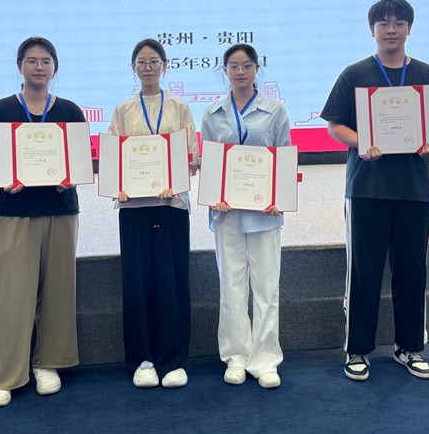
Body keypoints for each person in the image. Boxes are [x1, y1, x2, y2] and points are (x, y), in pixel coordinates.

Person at [320, 0, 429, 383]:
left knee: (412, 272)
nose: (391, 30)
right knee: (364, 272)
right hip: (367, 188)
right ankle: (357, 350)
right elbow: (334, 126)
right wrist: (362, 141)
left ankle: (409, 347)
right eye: (384, 23)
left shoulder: (426, 73)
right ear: (372, 29)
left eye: (399, 23)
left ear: (409, 28)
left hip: (414, 188)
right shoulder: (354, 73)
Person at [0, 36, 85, 407]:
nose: (39, 67)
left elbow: (79, 160)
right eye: (31, 60)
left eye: (45, 61)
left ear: (55, 67)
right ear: (20, 66)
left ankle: (47, 363)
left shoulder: (70, 110)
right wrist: (0, 176)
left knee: (58, 289)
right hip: (15, 211)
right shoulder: (0, 109)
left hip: (61, 209)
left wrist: (72, 176)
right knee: (12, 295)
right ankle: (5, 374)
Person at [107, 38, 200, 389]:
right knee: (137, 283)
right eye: (141, 62)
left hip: (171, 205)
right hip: (133, 208)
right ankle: (142, 359)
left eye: (154, 62)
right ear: (133, 68)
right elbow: (114, 159)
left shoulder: (180, 107)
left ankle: (173, 360)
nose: (148, 68)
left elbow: (192, 156)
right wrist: (119, 183)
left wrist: (176, 178)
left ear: (165, 65)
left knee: (172, 281)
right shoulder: (123, 110)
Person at [201, 44, 291, 389]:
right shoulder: (213, 114)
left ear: (257, 69)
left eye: (247, 65)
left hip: (265, 214)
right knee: (232, 286)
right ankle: (236, 356)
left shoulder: (275, 111)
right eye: (234, 66)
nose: (241, 72)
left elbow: (284, 157)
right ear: (224, 71)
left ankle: (265, 360)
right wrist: (214, 197)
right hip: (228, 215)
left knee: (267, 288)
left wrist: (280, 198)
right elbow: (210, 164)